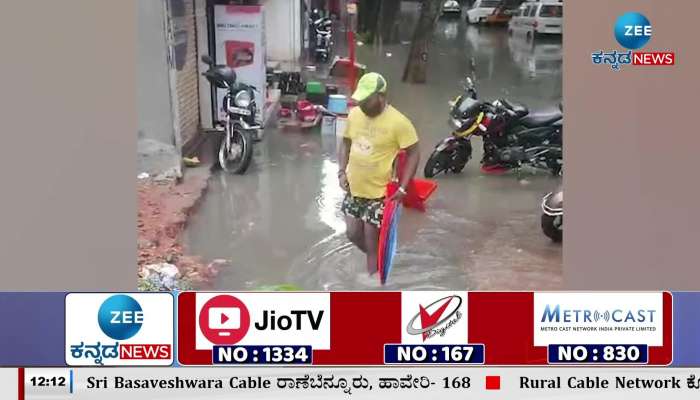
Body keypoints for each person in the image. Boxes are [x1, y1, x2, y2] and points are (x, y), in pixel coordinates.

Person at [338, 72, 420, 275]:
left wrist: (402, 187)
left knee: (370, 238)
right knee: (352, 233)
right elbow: (345, 143)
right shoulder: (355, 114)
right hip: (354, 187)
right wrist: (341, 172)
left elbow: (414, 152)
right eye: (361, 99)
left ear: (381, 97)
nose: (363, 104)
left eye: (368, 99)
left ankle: (372, 284)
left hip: (380, 192)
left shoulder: (399, 122)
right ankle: (380, 259)